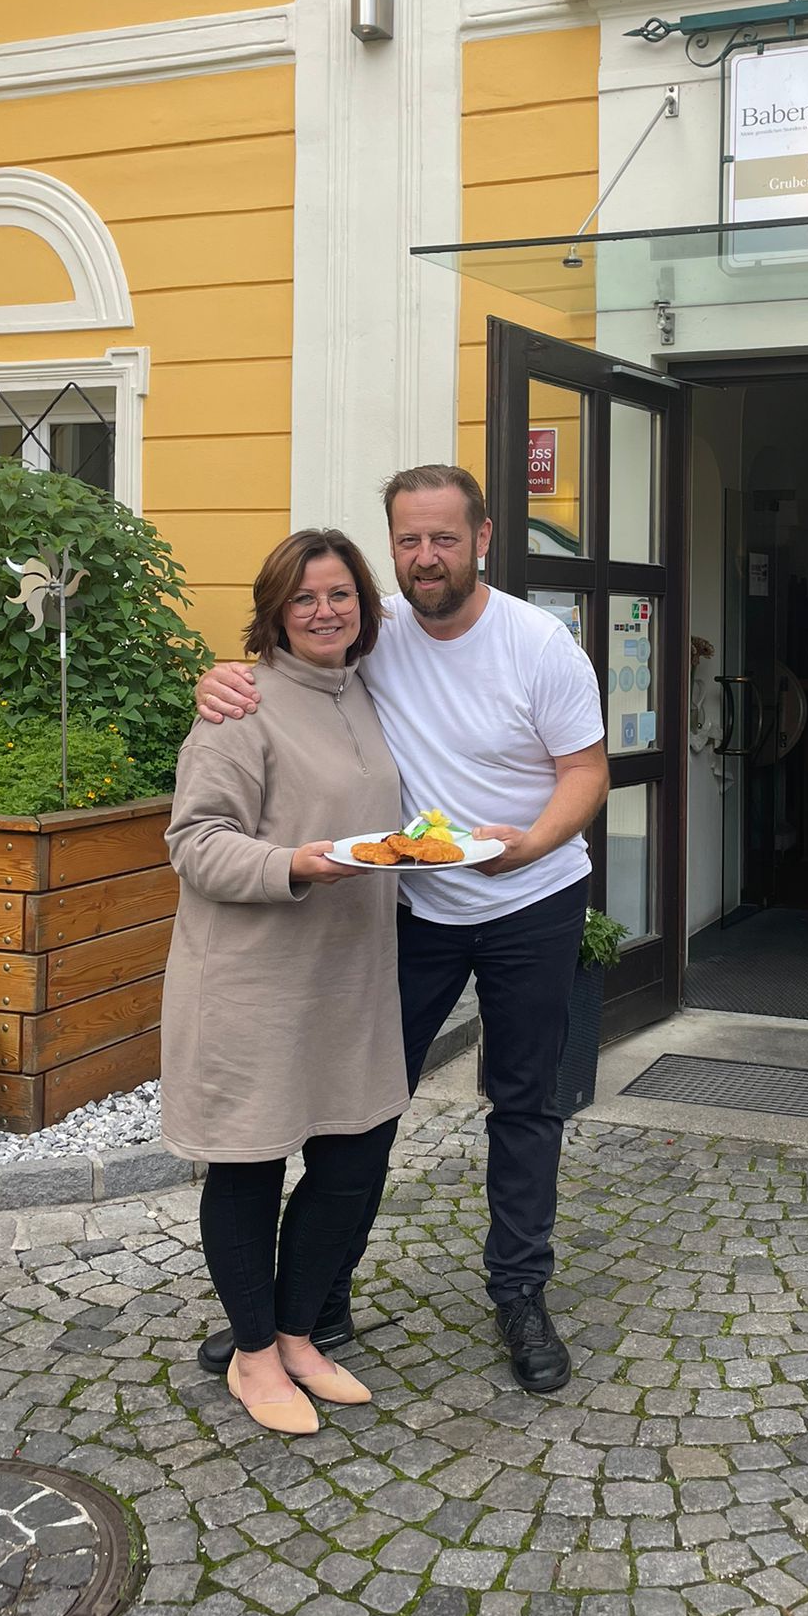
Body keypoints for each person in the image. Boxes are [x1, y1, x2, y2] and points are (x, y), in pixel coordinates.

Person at [193, 465, 608, 1393]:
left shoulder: (540, 644)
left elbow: (586, 771)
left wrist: (530, 845)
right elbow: (290, 659)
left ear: (483, 539)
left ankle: (520, 1293)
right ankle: (308, 1305)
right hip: (412, 908)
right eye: (409, 540)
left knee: (525, 1103)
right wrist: (216, 678)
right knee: (367, 1108)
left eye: (445, 539)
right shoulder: (372, 630)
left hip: (532, 900)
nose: (427, 557)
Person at [161, 529, 410, 1436]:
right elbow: (194, 842)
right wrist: (293, 863)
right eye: (303, 597)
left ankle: (301, 1334)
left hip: (350, 977)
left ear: (364, 607)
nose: (324, 611)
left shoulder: (365, 691)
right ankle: (255, 1353)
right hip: (253, 981)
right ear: (275, 611)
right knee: (251, 1165)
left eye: (340, 594)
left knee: (352, 1159)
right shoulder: (240, 707)